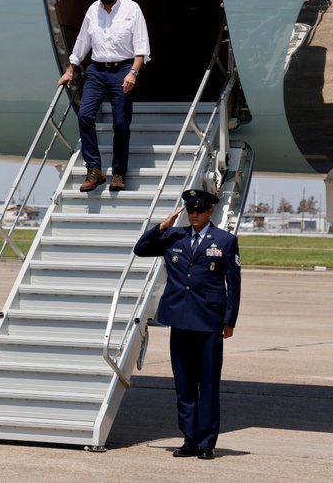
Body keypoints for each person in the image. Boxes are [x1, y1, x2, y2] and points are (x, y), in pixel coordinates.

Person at [133, 189, 241, 460]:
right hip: (180, 320)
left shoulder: (225, 241)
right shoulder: (173, 236)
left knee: (208, 385)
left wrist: (229, 319)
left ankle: (206, 443)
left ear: (210, 211)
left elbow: (234, 284)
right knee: (184, 386)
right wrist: (161, 227)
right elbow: (140, 249)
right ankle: (190, 439)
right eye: (190, 210)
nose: (194, 215)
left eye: (199, 210)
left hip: (208, 322)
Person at [57, 0, 150, 192]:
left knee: (120, 123)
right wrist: (70, 70)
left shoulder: (131, 9)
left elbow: (141, 47)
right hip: (97, 71)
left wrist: (133, 73)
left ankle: (118, 172)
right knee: (85, 115)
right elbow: (83, 41)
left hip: (123, 69)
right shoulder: (93, 10)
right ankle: (94, 169)